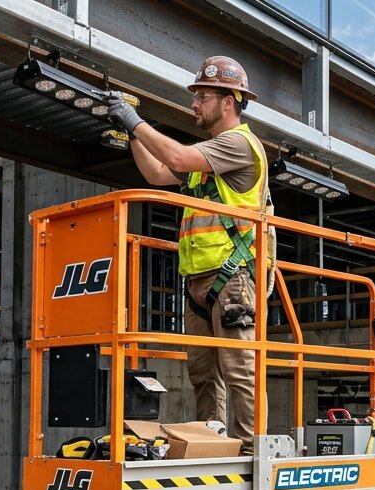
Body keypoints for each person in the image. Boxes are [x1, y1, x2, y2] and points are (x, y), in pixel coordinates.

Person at [103, 56, 270, 454]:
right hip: (199, 279)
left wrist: (133, 121)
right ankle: (214, 443)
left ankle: (251, 449)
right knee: (203, 373)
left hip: (231, 277)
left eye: (202, 97)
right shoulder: (208, 157)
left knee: (239, 369)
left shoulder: (240, 144)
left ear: (228, 102)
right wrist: (132, 135)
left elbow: (175, 158)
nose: (194, 104)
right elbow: (157, 173)